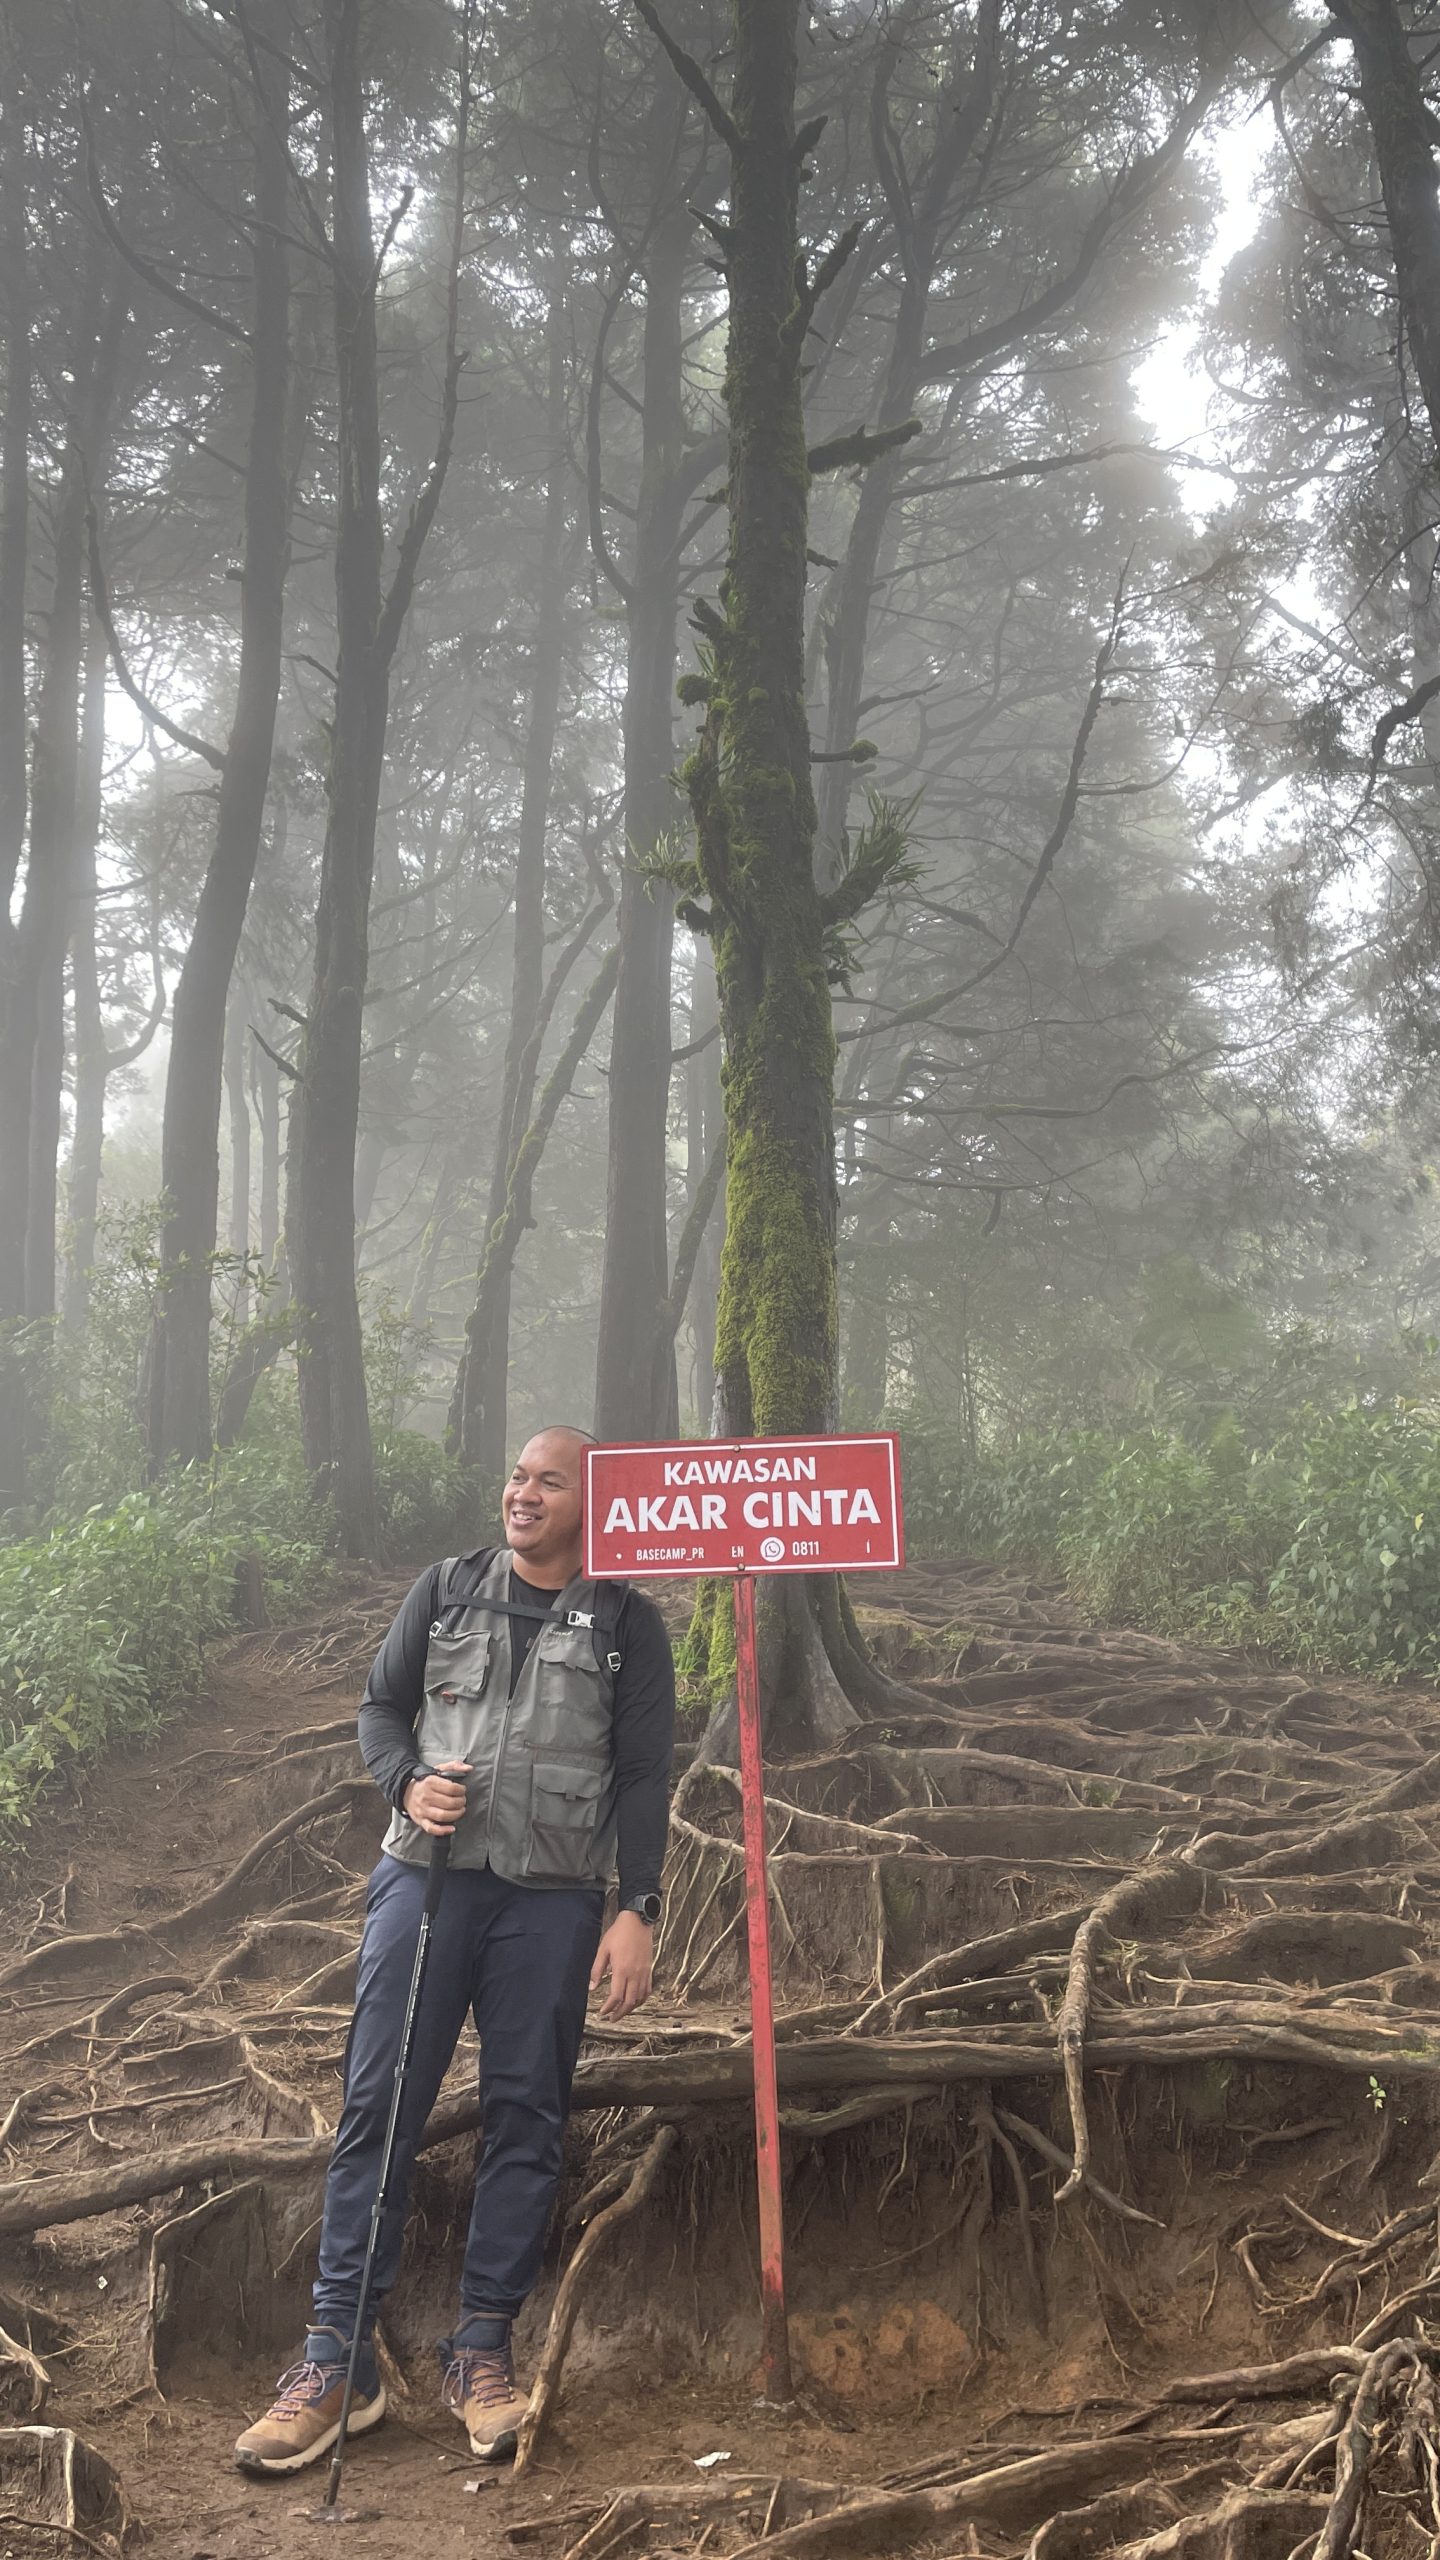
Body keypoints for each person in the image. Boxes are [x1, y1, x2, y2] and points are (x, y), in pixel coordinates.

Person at [234, 1425, 675, 2476]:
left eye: (548, 1480)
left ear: (590, 1502)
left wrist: (638, 1907)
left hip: (556, 1902)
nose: (522, 1493)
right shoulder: (445, 1588)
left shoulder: (626, 1622)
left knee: (527, 2110)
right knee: (379, 2102)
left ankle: (481, 2349)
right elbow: (380, 1711)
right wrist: (403, 1781)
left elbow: (645, 1774)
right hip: (423, 1884)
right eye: (517, 1476)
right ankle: (338, 2360)